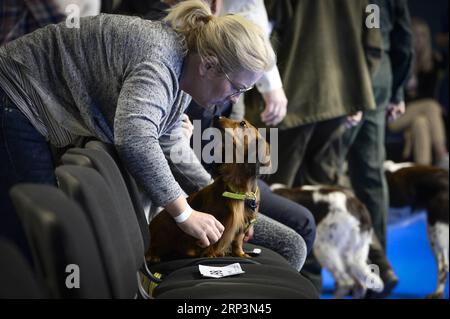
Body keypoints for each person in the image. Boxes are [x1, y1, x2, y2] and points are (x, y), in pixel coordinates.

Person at [0, 0, 275, 261]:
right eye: (236, 87)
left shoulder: (184, 71)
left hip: (28, 102)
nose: (236, 100)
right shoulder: (160, 61)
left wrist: (215, 197)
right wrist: (183, 213)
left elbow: (167, 140)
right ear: (208, 65)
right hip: (14, 94)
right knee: (36, 234)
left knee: (42, 236)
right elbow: (134, 138)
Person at [339, 0, 414, 298]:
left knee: (322, 171)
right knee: (370, 175)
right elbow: (404, 40)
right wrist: (396, 90)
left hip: (343, 73)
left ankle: (313, 266)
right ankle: (378, 267)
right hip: (378, 74)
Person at [387, 17, 449, 169]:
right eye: (416, 35)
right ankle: (442, 154)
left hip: (421, 116)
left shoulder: (434, 62)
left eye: (423, 35)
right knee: (431, 105)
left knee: (420, 123)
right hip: (397, 116)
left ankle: (423, 173)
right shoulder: (401, 61)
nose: (420, 40)